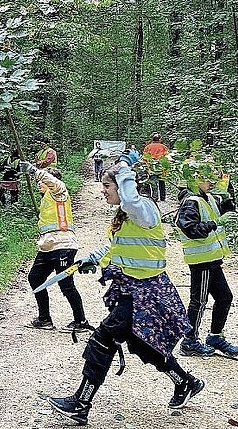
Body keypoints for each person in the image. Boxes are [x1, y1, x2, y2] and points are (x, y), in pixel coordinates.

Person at [45, 151, 203, 426]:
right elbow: (116, 246)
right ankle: (185, 382)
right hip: (133, 289)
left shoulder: (144, 209)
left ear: (123, 185)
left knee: (103, 338)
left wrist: (125, 166)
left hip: (148, 293)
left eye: (107, 186)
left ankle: (81, 404)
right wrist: (92, 258)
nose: (102, 191)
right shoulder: (127, 216)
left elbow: (130, 198)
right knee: (143, 343)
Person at [175, 163, 238, 357]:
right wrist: (215, 223)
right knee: (199, 301)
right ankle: (189, 341)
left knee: (225, 297)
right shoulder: (190, 201)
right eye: (207, 178)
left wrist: (227, 189)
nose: (211, 182)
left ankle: (215, 337)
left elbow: (229, 209)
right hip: (201, 260)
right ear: (195, 179)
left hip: (213, 259)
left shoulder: (208, 197)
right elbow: (191, 230)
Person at [20, 160, 90, 332]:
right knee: (35, 278)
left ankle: (80, 321)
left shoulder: (59, 192)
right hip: (47, 246)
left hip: (63, 244)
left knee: (66, 284)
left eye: (42, 180)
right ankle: (44, 319)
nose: (39, 183)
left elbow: (54, 182)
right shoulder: (47, 199)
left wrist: (33, 170)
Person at [142, 134, 169, 201]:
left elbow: (144, 158)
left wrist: (147, 168)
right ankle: (163, 198)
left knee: (154, 183)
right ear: (159, 139)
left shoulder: (147, 147)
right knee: (162, 183)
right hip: (161, 168)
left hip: (151, 168)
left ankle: (155, 197)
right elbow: (167, 158)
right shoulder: (164, 147)